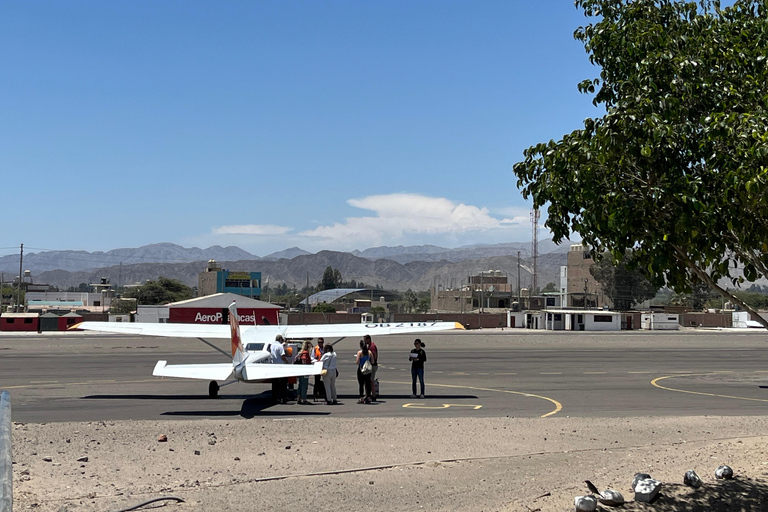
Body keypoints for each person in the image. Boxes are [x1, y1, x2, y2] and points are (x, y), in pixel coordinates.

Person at [270, 335, 289, 404]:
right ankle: (283, 398)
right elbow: (282, 356)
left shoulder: (272, 345)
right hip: (281, 366)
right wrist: (287, 361)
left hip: (274, 365)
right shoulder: (280, 346)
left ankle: (274, 398)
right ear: (280, 339)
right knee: (283, 383)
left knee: (275, 384)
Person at [364, 334, 378, 400]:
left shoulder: (372, 346)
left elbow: (374, 355)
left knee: (371, 380)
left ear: (368, 339)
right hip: (372, 364)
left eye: (365, 340)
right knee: (369, 380)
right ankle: (369, 394)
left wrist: (372, 361)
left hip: (373, 365)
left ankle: (373, 395)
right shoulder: (370, 346)